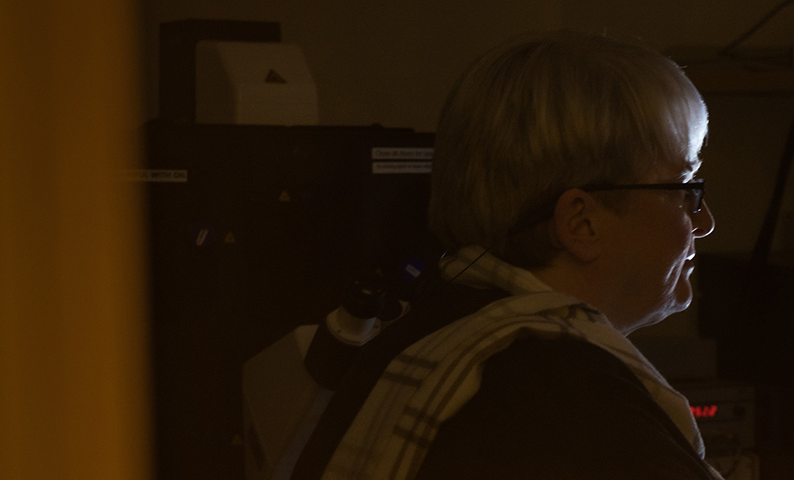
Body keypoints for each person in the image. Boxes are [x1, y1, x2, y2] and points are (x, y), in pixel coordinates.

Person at [307, 31, 719, 480]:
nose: (704, 222)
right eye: (687, 189)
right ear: (582, 223)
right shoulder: (574, 400)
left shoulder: (411, 339)